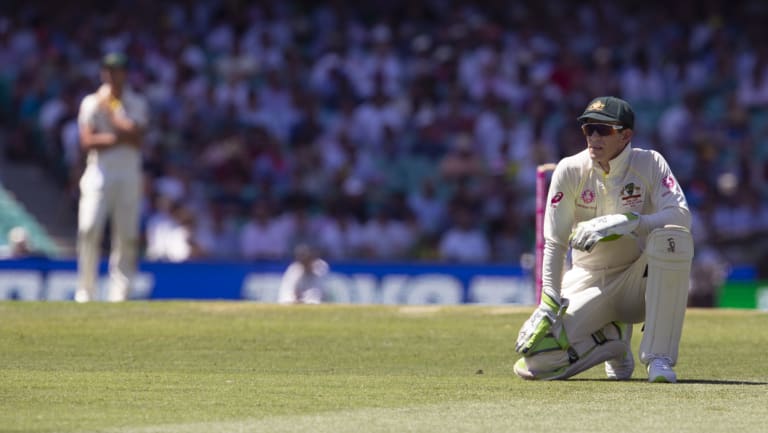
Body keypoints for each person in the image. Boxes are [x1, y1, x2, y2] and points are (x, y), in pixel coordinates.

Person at [514, 96, 693, 383]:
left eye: (603, 130)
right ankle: (612, 342)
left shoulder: (649, 163)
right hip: (588, 279)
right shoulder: (570, 169)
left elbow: (681, 216)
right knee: (534, 363)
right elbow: (555, 242)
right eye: (588, 129)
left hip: (637, 282)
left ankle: (659, 358)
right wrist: (548, 300)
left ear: (626, 135)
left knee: (673, 239)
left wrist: (630, 222)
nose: (593, 137)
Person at [74, 52, 148, 302]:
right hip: (99, 173)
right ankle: (86, 290)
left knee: (126, 234)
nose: (111, 75)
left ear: (125, 74)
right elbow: (87, 141)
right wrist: (119, 137)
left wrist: (114, 113)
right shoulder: (91, 103)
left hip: (128, 175)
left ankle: (121, 292)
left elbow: (138, 137)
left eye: (116, 70)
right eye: (107, 70)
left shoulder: (135, 102)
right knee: (89, 227)